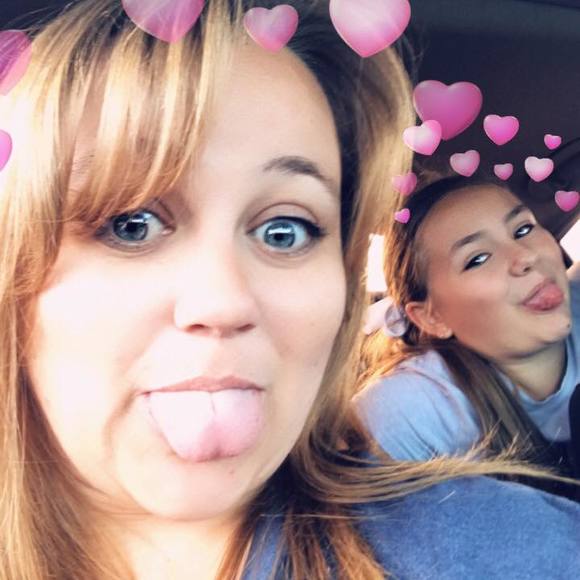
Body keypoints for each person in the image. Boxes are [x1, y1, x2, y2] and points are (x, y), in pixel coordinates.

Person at [0, 1, 579, 578]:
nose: (224, 302)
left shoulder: (520, 550)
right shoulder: (409, 407)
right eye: (131, 224)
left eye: (285, 231)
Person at [355, 175, 580, 490]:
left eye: (523, 229)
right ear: (432, 317)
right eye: (478, 259)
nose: (525, 257)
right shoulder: (410, 409)